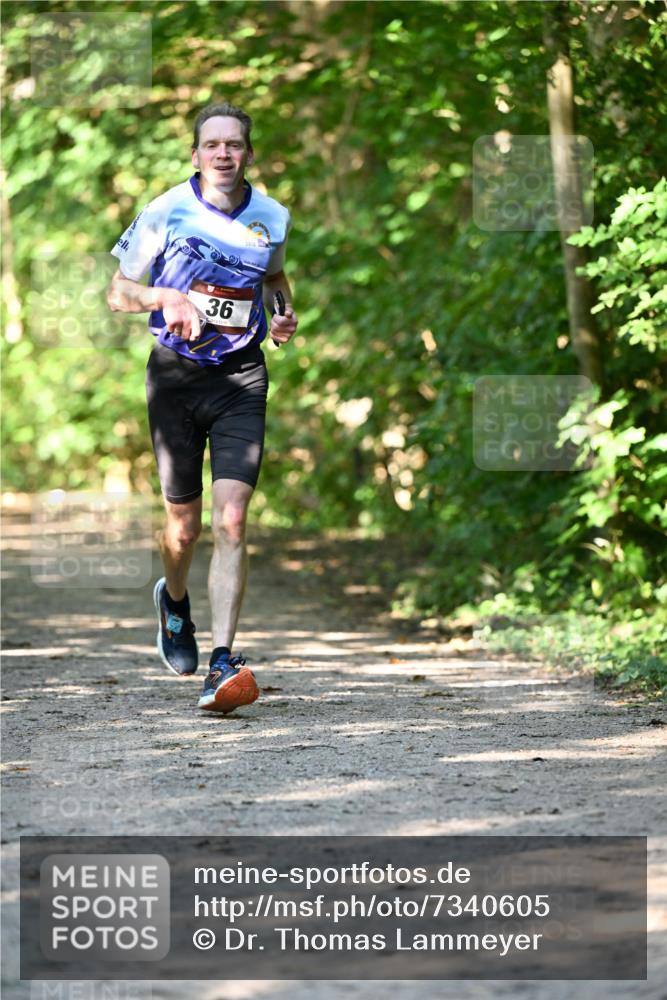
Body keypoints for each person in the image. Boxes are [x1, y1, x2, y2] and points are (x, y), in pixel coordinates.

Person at [107, 102, 298, 713]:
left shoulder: (272, 217)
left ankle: (223, 660)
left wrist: (283, 313)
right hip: (175, 377)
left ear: (248, 153)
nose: (223, 154)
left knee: (233, 520)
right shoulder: (166, 211)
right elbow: (118, 293)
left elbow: (273, 279)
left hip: (241, 376)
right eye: (211, 144)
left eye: (234, 145)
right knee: (183, 527)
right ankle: (176, 601)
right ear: (195, 155)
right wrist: (167, 295)